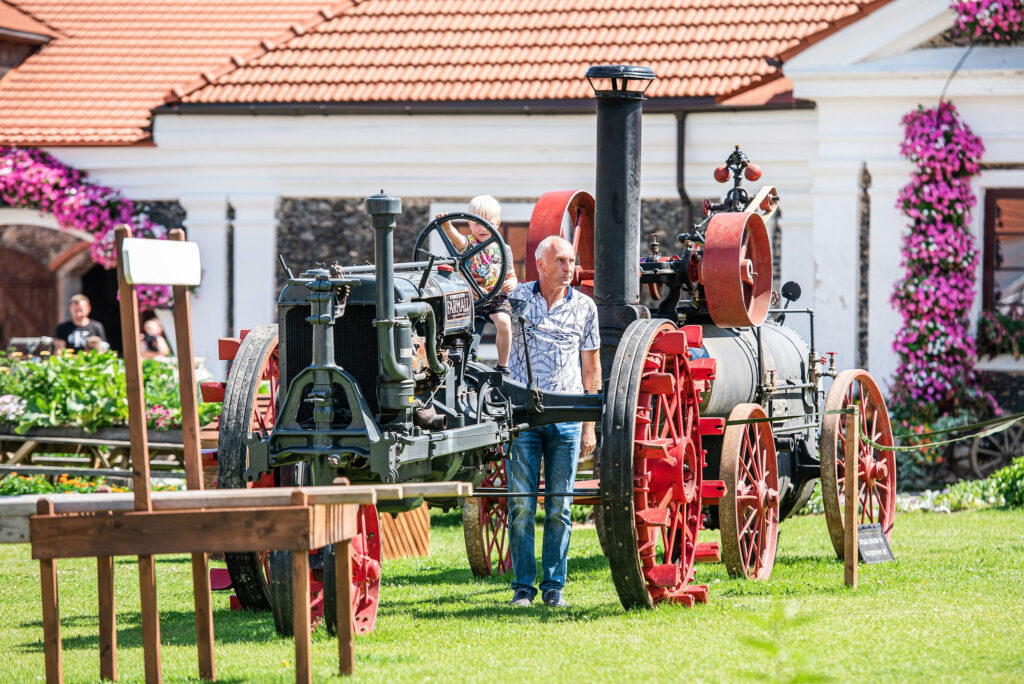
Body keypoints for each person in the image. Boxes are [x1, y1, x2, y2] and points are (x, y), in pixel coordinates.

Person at [505, 235, 600, 608]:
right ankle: (523, 588)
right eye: (560, 260)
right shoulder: (517, 299)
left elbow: (591, 366)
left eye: (571, 261)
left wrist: (589, 424)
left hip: (568, 417)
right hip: (523, 416)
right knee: (521, 505)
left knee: (560, 506)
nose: (568, 268)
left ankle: (554, 587)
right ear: (540, 264)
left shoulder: (585, 307)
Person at [438, 195, 518, 372]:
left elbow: (511, 275)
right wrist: (447, 227)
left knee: (504, 323)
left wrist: (512, 283)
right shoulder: (469, 244)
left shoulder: (504, 249)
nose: (482, 228)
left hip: (495, 297)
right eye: (477, 223)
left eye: (487, 223)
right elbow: (458, 240)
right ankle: (460, 364)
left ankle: (503, 365)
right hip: (472, 298)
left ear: (497, 223)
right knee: (461, 330)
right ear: (469, 224)